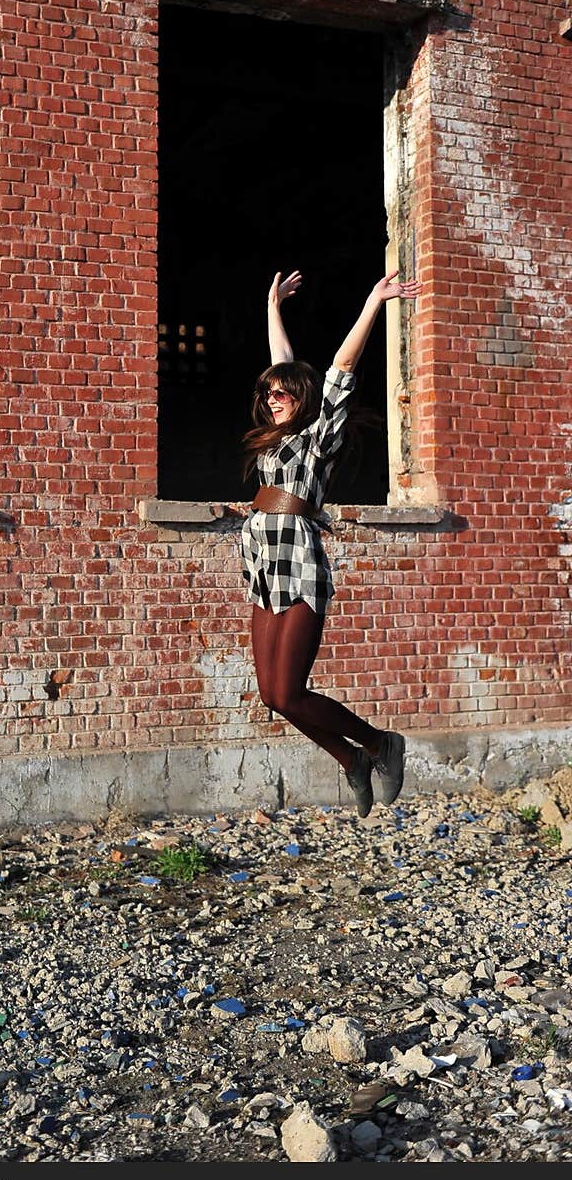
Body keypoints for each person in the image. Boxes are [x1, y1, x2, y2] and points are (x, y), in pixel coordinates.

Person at [239, 267, 422, 817]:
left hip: (300, 564)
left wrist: (373, 301)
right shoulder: (276, 439)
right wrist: (273, 308)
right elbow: (284, 365)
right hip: (263, 565)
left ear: (301, 398)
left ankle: (380, 743)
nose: (272, 398)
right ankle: (353, 760)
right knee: (273, 696)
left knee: (292, 691)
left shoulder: (320, 439)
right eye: (267, 393)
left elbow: (341, 369)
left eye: (281, 394)